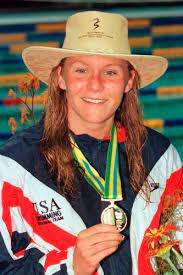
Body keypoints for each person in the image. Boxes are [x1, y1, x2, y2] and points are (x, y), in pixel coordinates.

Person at [0, 10, 182, 275]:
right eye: (82, 70)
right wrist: (71, 266)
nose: (95, 85)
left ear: (129, 80)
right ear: (61, 77)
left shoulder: (160, 156)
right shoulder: (14, 168)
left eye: (110, 72)